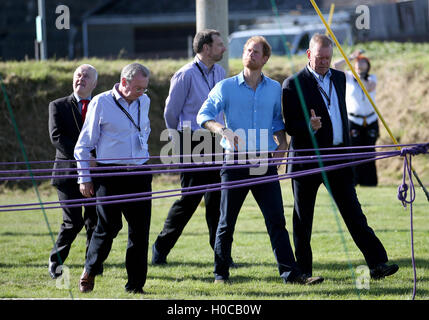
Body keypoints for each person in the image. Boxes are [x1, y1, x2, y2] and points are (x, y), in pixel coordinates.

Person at [197, 36, 324, 285]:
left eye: (256, 52)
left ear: (265, 58)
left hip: (264, 163)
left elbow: (278, 122)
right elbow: (204, 114)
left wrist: (284, 144)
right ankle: (220, 274)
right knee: (226, 223)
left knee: (277, 220)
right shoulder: (226, 87)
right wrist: (221, 130)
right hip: (234, 162)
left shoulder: (275, 88)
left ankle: (291, 274)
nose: (250, 54)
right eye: (247, 50)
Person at [282, 34, 398, 280]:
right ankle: (303, 272)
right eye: (319, 57)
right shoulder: (293, 84)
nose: (324, 62)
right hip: (307, 161)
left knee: (355, 214)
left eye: (328, 57)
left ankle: (377, 264)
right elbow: (290, 126)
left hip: (339, 158)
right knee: (303, 221)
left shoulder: (340, 78)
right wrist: (308, 125)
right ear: (308, 54)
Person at [74, 63, 152, 294]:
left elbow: (142, 132)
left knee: (140, 231)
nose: (142, 93)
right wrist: (84, 178)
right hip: (110, 174)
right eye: (138, 88)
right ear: (124, 82)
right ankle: (91, 268)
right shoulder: (101, 102)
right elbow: (83, 147)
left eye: (144, 89)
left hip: (139, 172)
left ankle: (135, 286)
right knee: (108, 227)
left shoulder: (144, 101)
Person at [152, 29, 228, 265]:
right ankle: (160, 249)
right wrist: (180, 141)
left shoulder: (221, 72)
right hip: (191, 141)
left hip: (217, 141)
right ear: (206, 48)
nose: (223, 49)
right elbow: (170, 112)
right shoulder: (184, 75)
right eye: (219, 45)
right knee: (190, 201)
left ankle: (221, 255)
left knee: (217, 200)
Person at [47, 64, 99, 279]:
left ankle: (92, 265)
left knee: (94, 221)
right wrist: (84, 157)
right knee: (73, 221)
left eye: (86, 76)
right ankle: (55, 261)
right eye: (78, 75)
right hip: (67, 174)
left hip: (97, 174)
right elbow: (57, 137)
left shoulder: (100, 105)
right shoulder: (58, 105)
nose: (81, 79)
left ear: (94, 84)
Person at [333, 50, 379, 186]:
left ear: (368, 65)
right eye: (357, 61)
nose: (359, 63)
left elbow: (369, 88)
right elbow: (336, 65)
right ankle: (354, 180)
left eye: (363, 61)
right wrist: (351, 57)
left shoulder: (372, 78)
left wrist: (360, 76)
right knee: (354, 150)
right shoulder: (348, 77)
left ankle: (369, 182)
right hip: (354, 120)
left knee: (369, 151)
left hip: (370, 120)